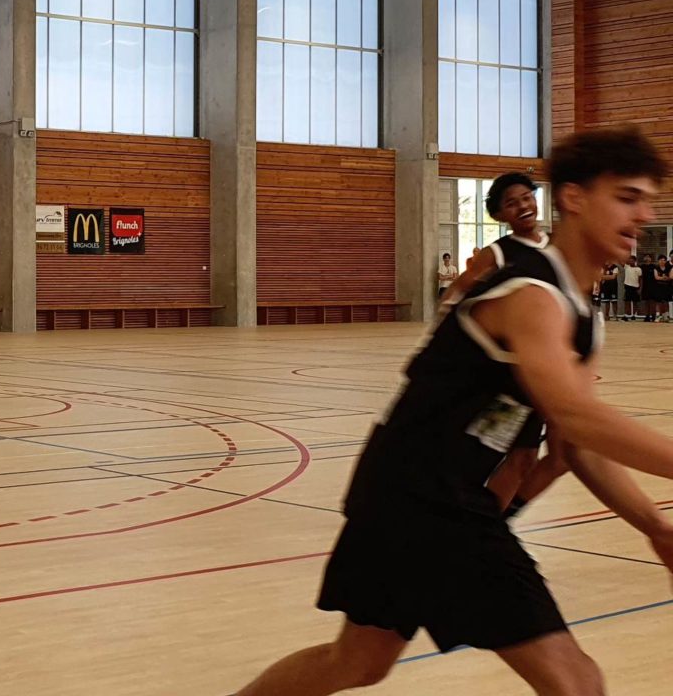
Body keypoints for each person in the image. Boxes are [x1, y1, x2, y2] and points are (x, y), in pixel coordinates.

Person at [234, 127, 673, 696]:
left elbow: (574, 445)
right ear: (574, 197)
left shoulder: (584, 317)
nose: (644, 215)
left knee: (357, 662)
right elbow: (576, 416)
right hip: (429, 499)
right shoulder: (531, 294)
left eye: (649, 201)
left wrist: (655, 526)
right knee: (577, 683)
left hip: (411, 495)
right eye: (628, 197)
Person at [440, 172, 549, 306]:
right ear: (498, 215)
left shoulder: (556, 242)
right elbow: (456, 289)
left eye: (527, 198)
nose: (523, 206)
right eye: (511, 204)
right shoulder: (496, 252)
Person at [623, 255, 643, 322]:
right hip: (628, 287)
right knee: (627, 302)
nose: (631, 261)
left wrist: (640, 289)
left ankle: (633, 315)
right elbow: (621, 261)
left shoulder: (638, 269)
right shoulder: (626, 267)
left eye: (632, 260)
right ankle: (626, 315)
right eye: (630, 260)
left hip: (635, 287)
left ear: (635, 261)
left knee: (635, 302)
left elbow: (641, 279)